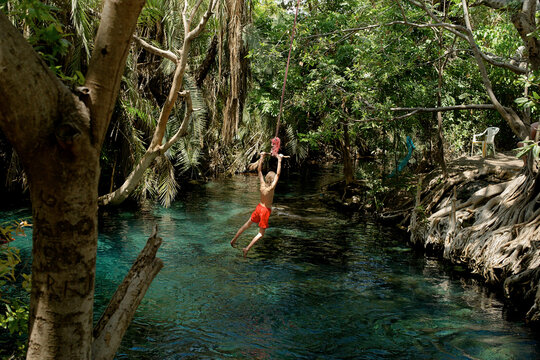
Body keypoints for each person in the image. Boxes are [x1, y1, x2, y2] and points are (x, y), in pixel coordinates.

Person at [230, 152, 284, 257]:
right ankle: (247, 248)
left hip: (259, 207)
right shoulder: (271, 188)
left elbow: (259, 170)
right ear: (272, 180)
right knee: (260, 234)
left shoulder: (262, 184)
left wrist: (262, 157)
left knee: (247, 225)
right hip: (265, 211)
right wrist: (280, 160)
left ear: (267, 177)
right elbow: (278, 174)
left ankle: (233, 240)